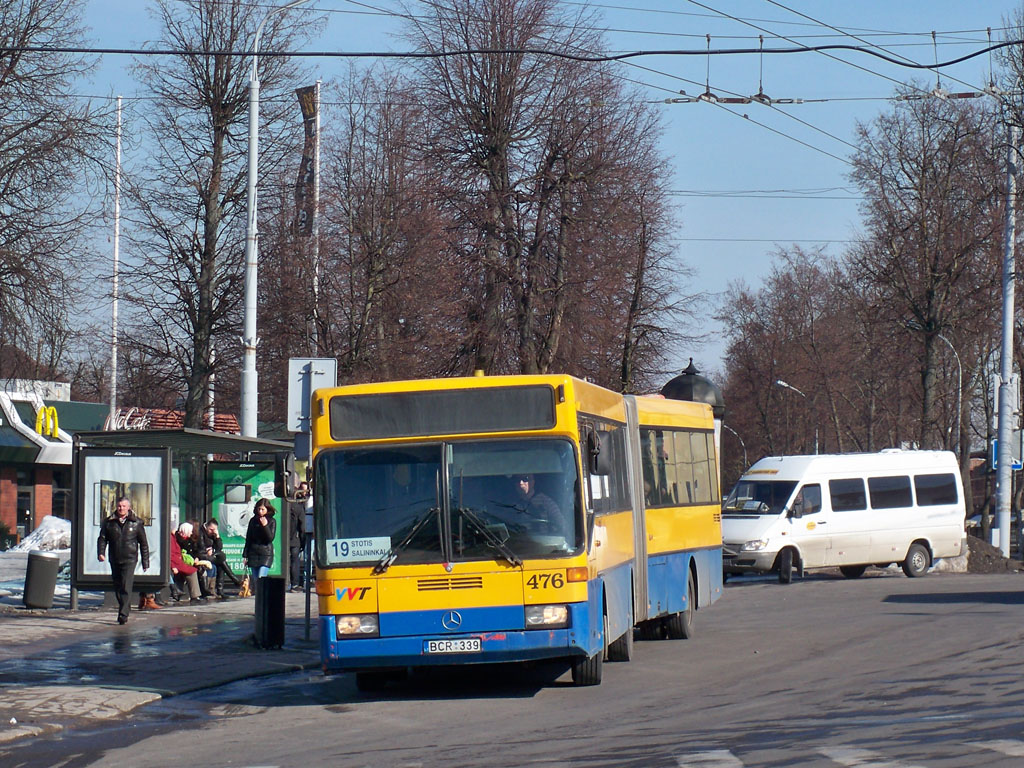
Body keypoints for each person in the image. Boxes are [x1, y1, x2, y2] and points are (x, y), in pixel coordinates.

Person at [97, 496, 150, 624]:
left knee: (126, 585)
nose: (121, 508)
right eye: (119, 506)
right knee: (117, 586)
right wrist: (101, 553)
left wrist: (145, 562)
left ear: (129, 507)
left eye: (124, 506)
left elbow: (143, 543)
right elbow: (102, 538)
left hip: (130, 559)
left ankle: (123, 614)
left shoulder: (136, 522)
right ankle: (124, 606)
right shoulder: (109, 522)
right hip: (114, 558)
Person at [199, 518, 243, 599]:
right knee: (221, 560)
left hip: (211, 555)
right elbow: (200, 548)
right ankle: (233, 582)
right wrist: (207, 551)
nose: (212, 532)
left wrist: (217, 537)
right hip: (202, 556)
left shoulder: (213, 534)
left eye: (214, 530)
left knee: (221, 562)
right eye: (211, 529)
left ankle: (220, 590)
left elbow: (219, 548)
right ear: (206, 527)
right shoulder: (201, 533)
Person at [170, 522, 206, 605]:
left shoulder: (175, 538)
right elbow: (171, 554)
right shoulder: (173, 539)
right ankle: (194, 595)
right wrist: (173, 566)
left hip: (179, 561)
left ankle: (181, 592)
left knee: (192, 569)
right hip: (177, 562)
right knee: (192, 571)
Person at [243, 498, 277, 582]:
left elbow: (270, 538)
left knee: (261, 577)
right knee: (255, 579)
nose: (260, 511)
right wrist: (245, 555)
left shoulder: (272, 521)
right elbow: (249, 538)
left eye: (263, 509)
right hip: (253, 552)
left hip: (265, 553)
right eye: (259, 509)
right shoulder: (253, 521)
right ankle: (258, 594)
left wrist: (265, 526)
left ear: (267, 509)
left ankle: (261, 594)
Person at [287, 486, 306, 591]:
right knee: (294, 561)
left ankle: (285, 581)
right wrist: (303, 542)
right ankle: (294, 584)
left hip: (281, 539)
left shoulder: (280, 507)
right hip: (294, 539)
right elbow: (302, 527)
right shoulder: (298, 508)